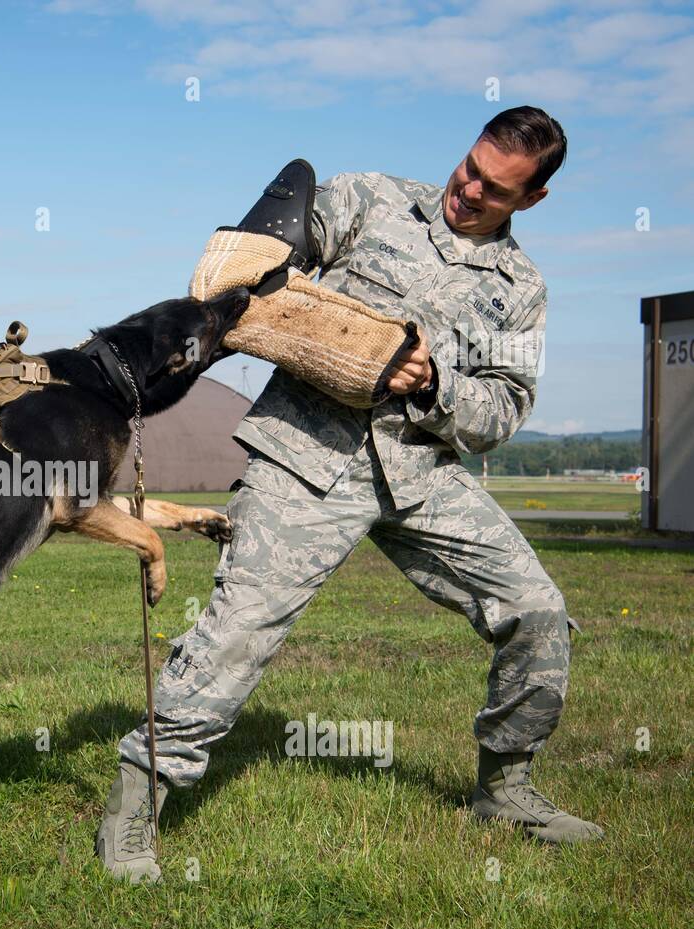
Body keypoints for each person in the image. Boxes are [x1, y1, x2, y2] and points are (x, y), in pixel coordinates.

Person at [96, 106, 603, 884]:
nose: (467, 190)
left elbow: (502, 411)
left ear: (529, 201)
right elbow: (259, 257)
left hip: (420, 470)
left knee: (537, 611)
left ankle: (506, 786)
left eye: (494, 189)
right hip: (306, 453)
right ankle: (138, 800)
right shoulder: (371, 198)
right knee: (236, 632)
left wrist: (434, 382)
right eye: (469, 166)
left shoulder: (522, 290)